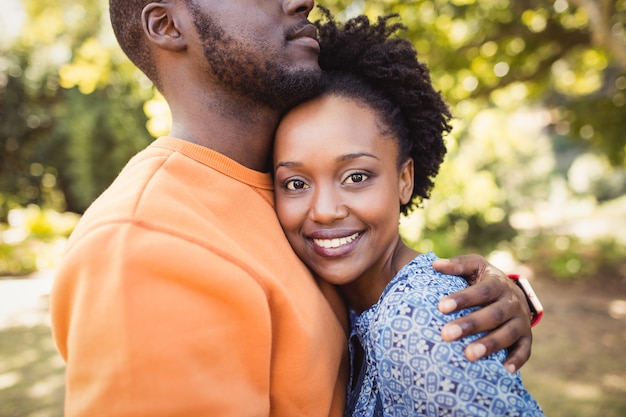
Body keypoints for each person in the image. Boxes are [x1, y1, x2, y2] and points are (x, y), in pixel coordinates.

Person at [50, 1, 537, 416]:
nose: (304, 0)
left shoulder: (277, 193)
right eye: (299, 183)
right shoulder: (143, 244)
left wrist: (502, 298)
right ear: (167, 25)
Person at [272, 10, 544, 416]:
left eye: (356, 176)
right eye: (296, 183)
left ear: (404, 179)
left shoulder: (415, 321)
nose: (325, 211)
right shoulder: (358, 299)